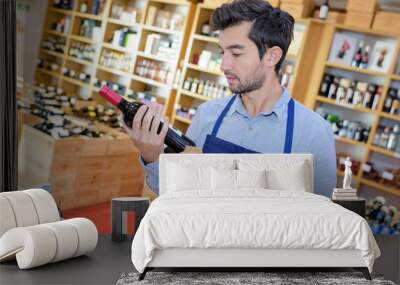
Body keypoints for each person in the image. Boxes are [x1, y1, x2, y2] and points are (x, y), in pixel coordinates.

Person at [122, 0, 337, 197]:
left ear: (272, 56)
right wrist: (152, 155)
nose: (223, 65)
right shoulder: (207, 115)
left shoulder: (314, 132)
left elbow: (320, 219)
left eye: (236, 53)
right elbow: (179, 193)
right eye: (222, 52)